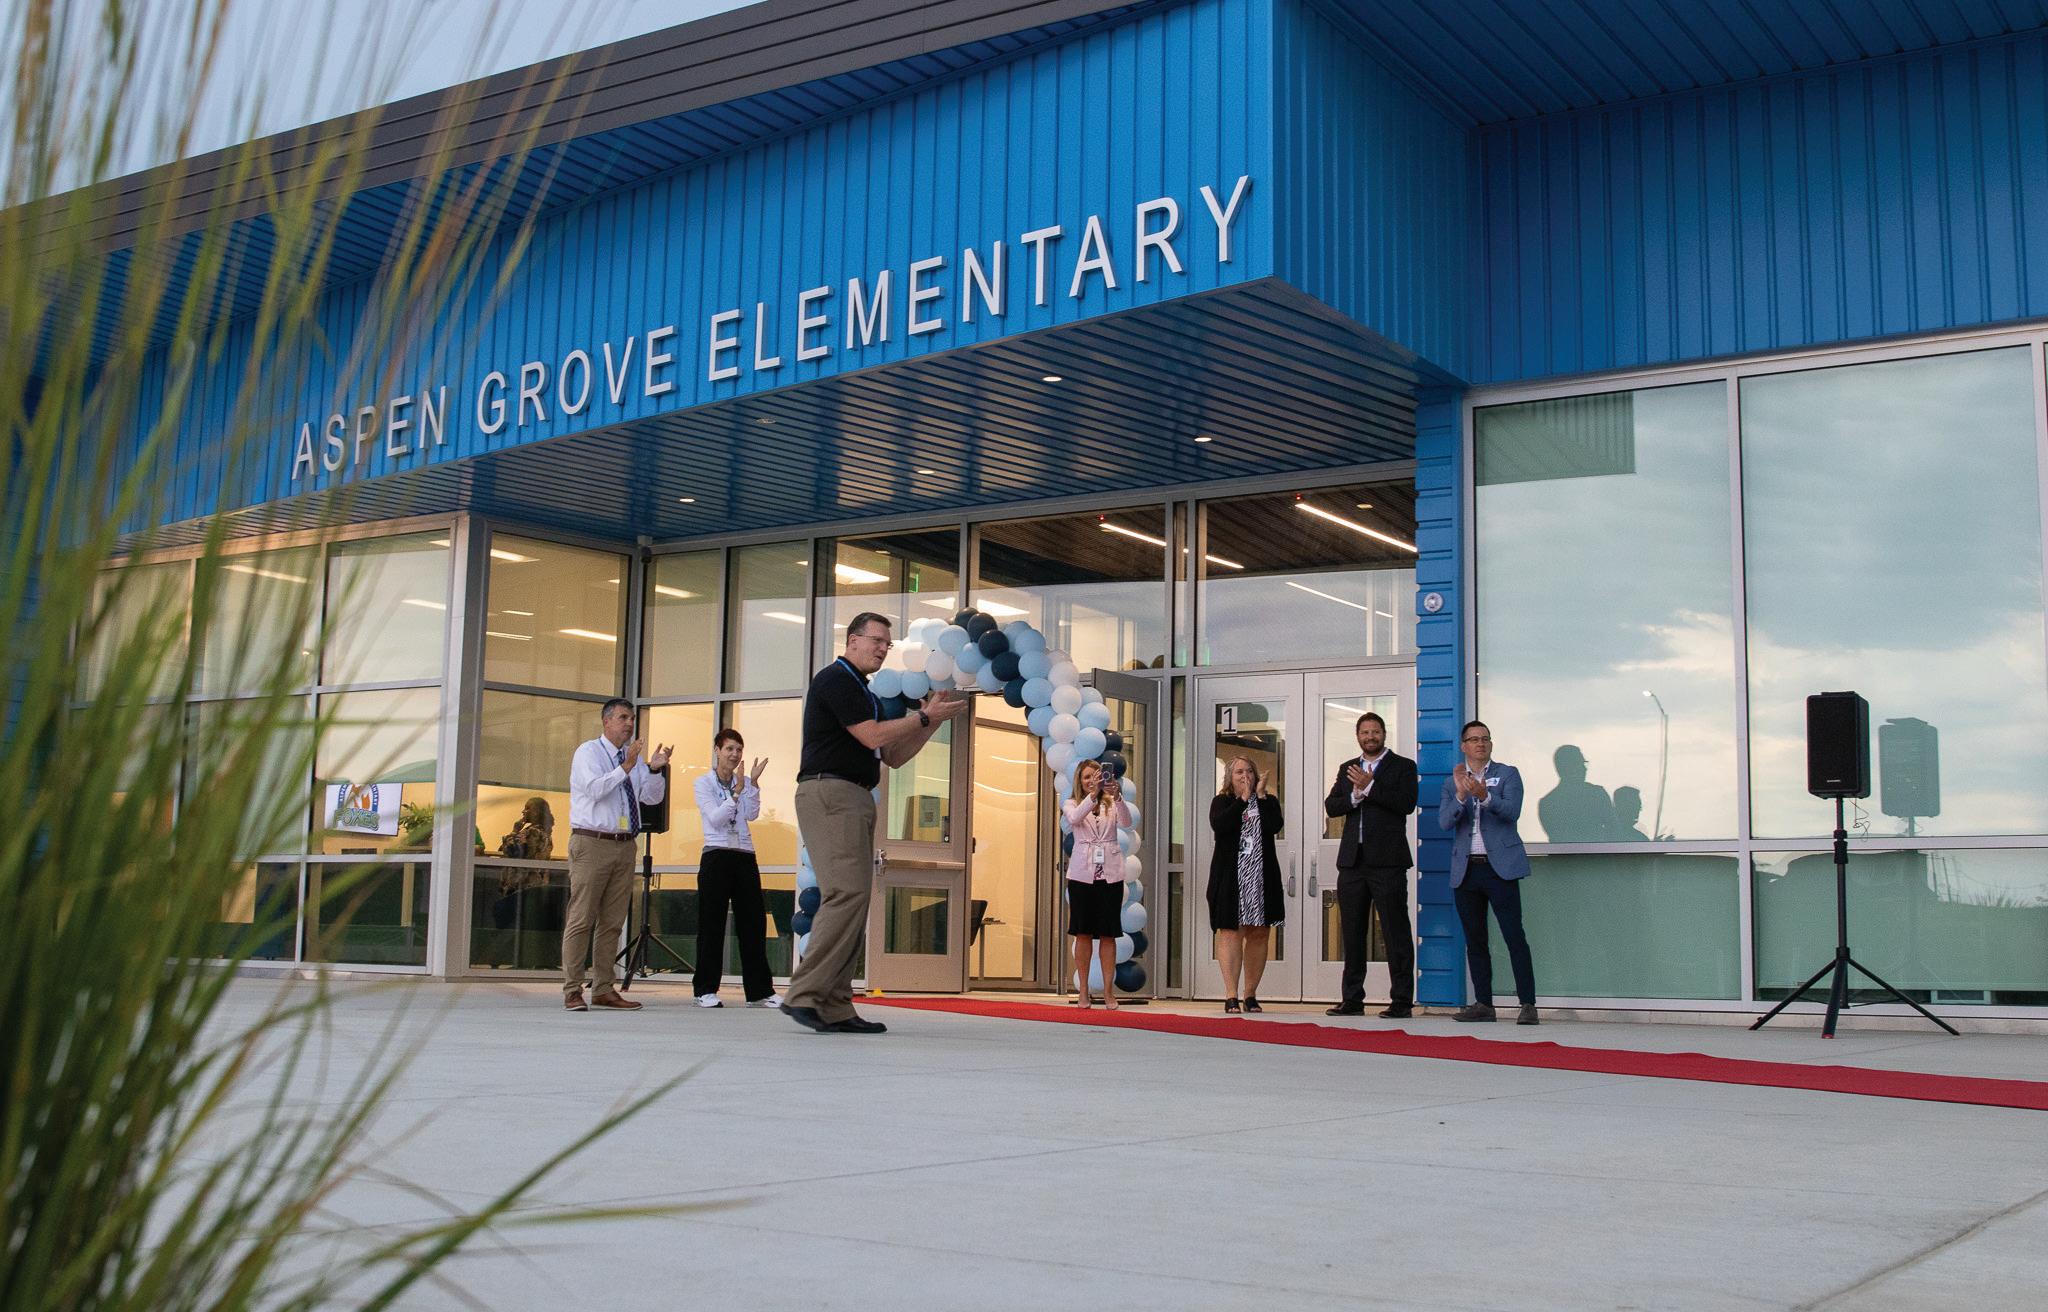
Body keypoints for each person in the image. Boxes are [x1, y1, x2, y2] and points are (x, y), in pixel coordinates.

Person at [783, 612, 966, 1035]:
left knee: (854, 900)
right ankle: (805, 994)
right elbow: (872, 736)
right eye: (877, 641)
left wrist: (932, 721)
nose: (883, 649)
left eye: (887, 644)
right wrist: (923, 717)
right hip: (831, 792)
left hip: (854, 795)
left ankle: (835, 1006)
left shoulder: (862, 690)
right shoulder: (837, 679)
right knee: (845, 894)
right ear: (852, 640)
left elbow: (893, 756)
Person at [562, 699, 671, 1012]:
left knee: (612, 923)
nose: (629, 724)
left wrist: (653, 770)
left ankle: (603, 989)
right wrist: (626, 767)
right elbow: (595, 790)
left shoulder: (632, 758)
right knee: (582, 918)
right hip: (592, 842)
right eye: (623, 717)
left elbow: (651, 798)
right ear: (606, 721)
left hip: (624, 844)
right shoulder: (589, 753)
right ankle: (572, 989)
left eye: (632, 718)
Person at [1437, 720, 1537, 1024]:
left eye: (1485, 739)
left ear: (1491, 744)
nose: (1480, 743)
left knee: (1514, 936)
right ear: (1463, 746)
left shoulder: (1507, 774)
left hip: (1500, 869)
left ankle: (1528, 1004)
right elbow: (1444, 822)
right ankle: (1483, 1003)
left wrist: (1485, 796)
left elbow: (1512, 811)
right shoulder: (1452, 782)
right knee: (1475, 939)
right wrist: (1461, 796)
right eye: (1474, 739)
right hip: (1467, 870)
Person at [1322, 712, 1419, 1018]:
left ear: (1384, 734)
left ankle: (1401, 1000)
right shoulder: (1348, 768)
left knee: (1394, 931)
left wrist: (1371, 786)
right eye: (1364, 732)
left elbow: (1406, 803)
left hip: (1388, 861)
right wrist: (1354, 796)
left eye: (1375, 731)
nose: (1370, 737)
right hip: (1353, 861)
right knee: (1352, 932)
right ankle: (1352, 999)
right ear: (1358, 736)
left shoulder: (1403, 766)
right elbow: (1332, 806)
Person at [692, 728, 778, 1009]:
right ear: (717, 750)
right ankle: (705, 989)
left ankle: (759, 991)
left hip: (744, 854)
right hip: (716, 854)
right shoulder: (703, 783)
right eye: (729, 749)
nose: (734, 754)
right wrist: (736, 792)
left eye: (739, 750)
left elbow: (751, 814)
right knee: (712, 924)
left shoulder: (744, 781)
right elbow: (716, 818)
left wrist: (752, 783)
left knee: (753, 923)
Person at [1207, 756, 1283, 1014]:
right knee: (1230, 932)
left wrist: (1259, 797)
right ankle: (1231, 995)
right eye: (1239, 771)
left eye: (1249, 771)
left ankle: (1250, 994)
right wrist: (1242, 800)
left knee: (1259, 933)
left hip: (1260, 876)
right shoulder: (1222, 801)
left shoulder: (1267, 801)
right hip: (1231, 876)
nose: (1245, 776)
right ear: (1230, 777)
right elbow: (1220, 825)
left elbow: (1274, 826)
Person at [1063, 759, 1132, 1010]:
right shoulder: (1071, 803)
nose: (1092, 781)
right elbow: (1074, 818)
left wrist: (1118, 796)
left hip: (1109, 875)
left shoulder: (1111, 802)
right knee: (1082, 932)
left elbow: (1127, 822)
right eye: (1087, 777)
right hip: (1082, 875)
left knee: (1108, 933)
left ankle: (1108, 991)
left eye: (1096, 776)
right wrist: (1092, 796)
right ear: (1079, 781)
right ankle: (1083, 990)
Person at [1537, 744, 1618, 841]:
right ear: (1566, 767)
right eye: (1580, 763)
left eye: (1584, 763)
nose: (1584, 768)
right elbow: (1614, 830)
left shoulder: (1547, 803)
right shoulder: (1597, 794)